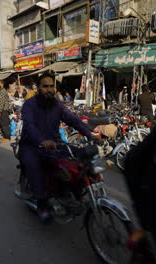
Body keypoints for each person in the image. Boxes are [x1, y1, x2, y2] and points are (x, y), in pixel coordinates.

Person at [19, 72, 98, 223]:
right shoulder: (29, 105)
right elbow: (29, 126)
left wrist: (89, 134)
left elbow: (73, 120)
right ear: (38, 88)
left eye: (51, 86)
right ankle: (42, 203)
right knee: (34, 165)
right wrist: (41, 140)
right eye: (45, 86)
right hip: (32, 145)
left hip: (55, 144)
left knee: (78, 160)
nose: (49, 89)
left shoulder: (57, 105)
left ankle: (75, 193)